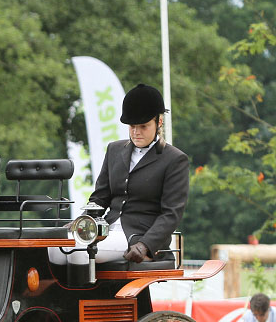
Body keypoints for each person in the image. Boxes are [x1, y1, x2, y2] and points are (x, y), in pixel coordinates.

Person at [49, 83, 189, 267]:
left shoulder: (175, 159)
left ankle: (84, 296)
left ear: (159, 122)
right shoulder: (114, 150)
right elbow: (100, 197)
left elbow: (171, 214)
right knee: (54, 248)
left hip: (138, 236)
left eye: (143, 126)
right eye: (132, 126)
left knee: (78, 252)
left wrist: (146, 245)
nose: (136, 132)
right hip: (105, 229)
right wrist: (81, 222)